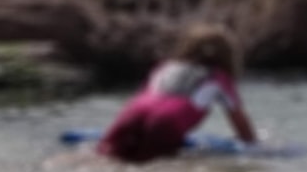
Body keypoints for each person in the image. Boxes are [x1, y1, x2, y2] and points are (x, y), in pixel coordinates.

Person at [97, 24, 257, 163]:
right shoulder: (220, 78)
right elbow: (240, 122)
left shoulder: (165, 67)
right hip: (167, 121)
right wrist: (253, 146)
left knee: (105, 158)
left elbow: (144, 96)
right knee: (156, 169)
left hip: (132, 112)